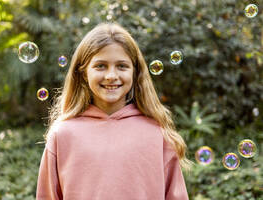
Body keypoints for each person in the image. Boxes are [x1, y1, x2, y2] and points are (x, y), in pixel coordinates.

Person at [36, 22, 191, 200]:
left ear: (135, 72)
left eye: (122, 66)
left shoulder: (157, 134)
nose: (111, 75)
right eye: (100, 66)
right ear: (83, 73)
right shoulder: (63, 134)